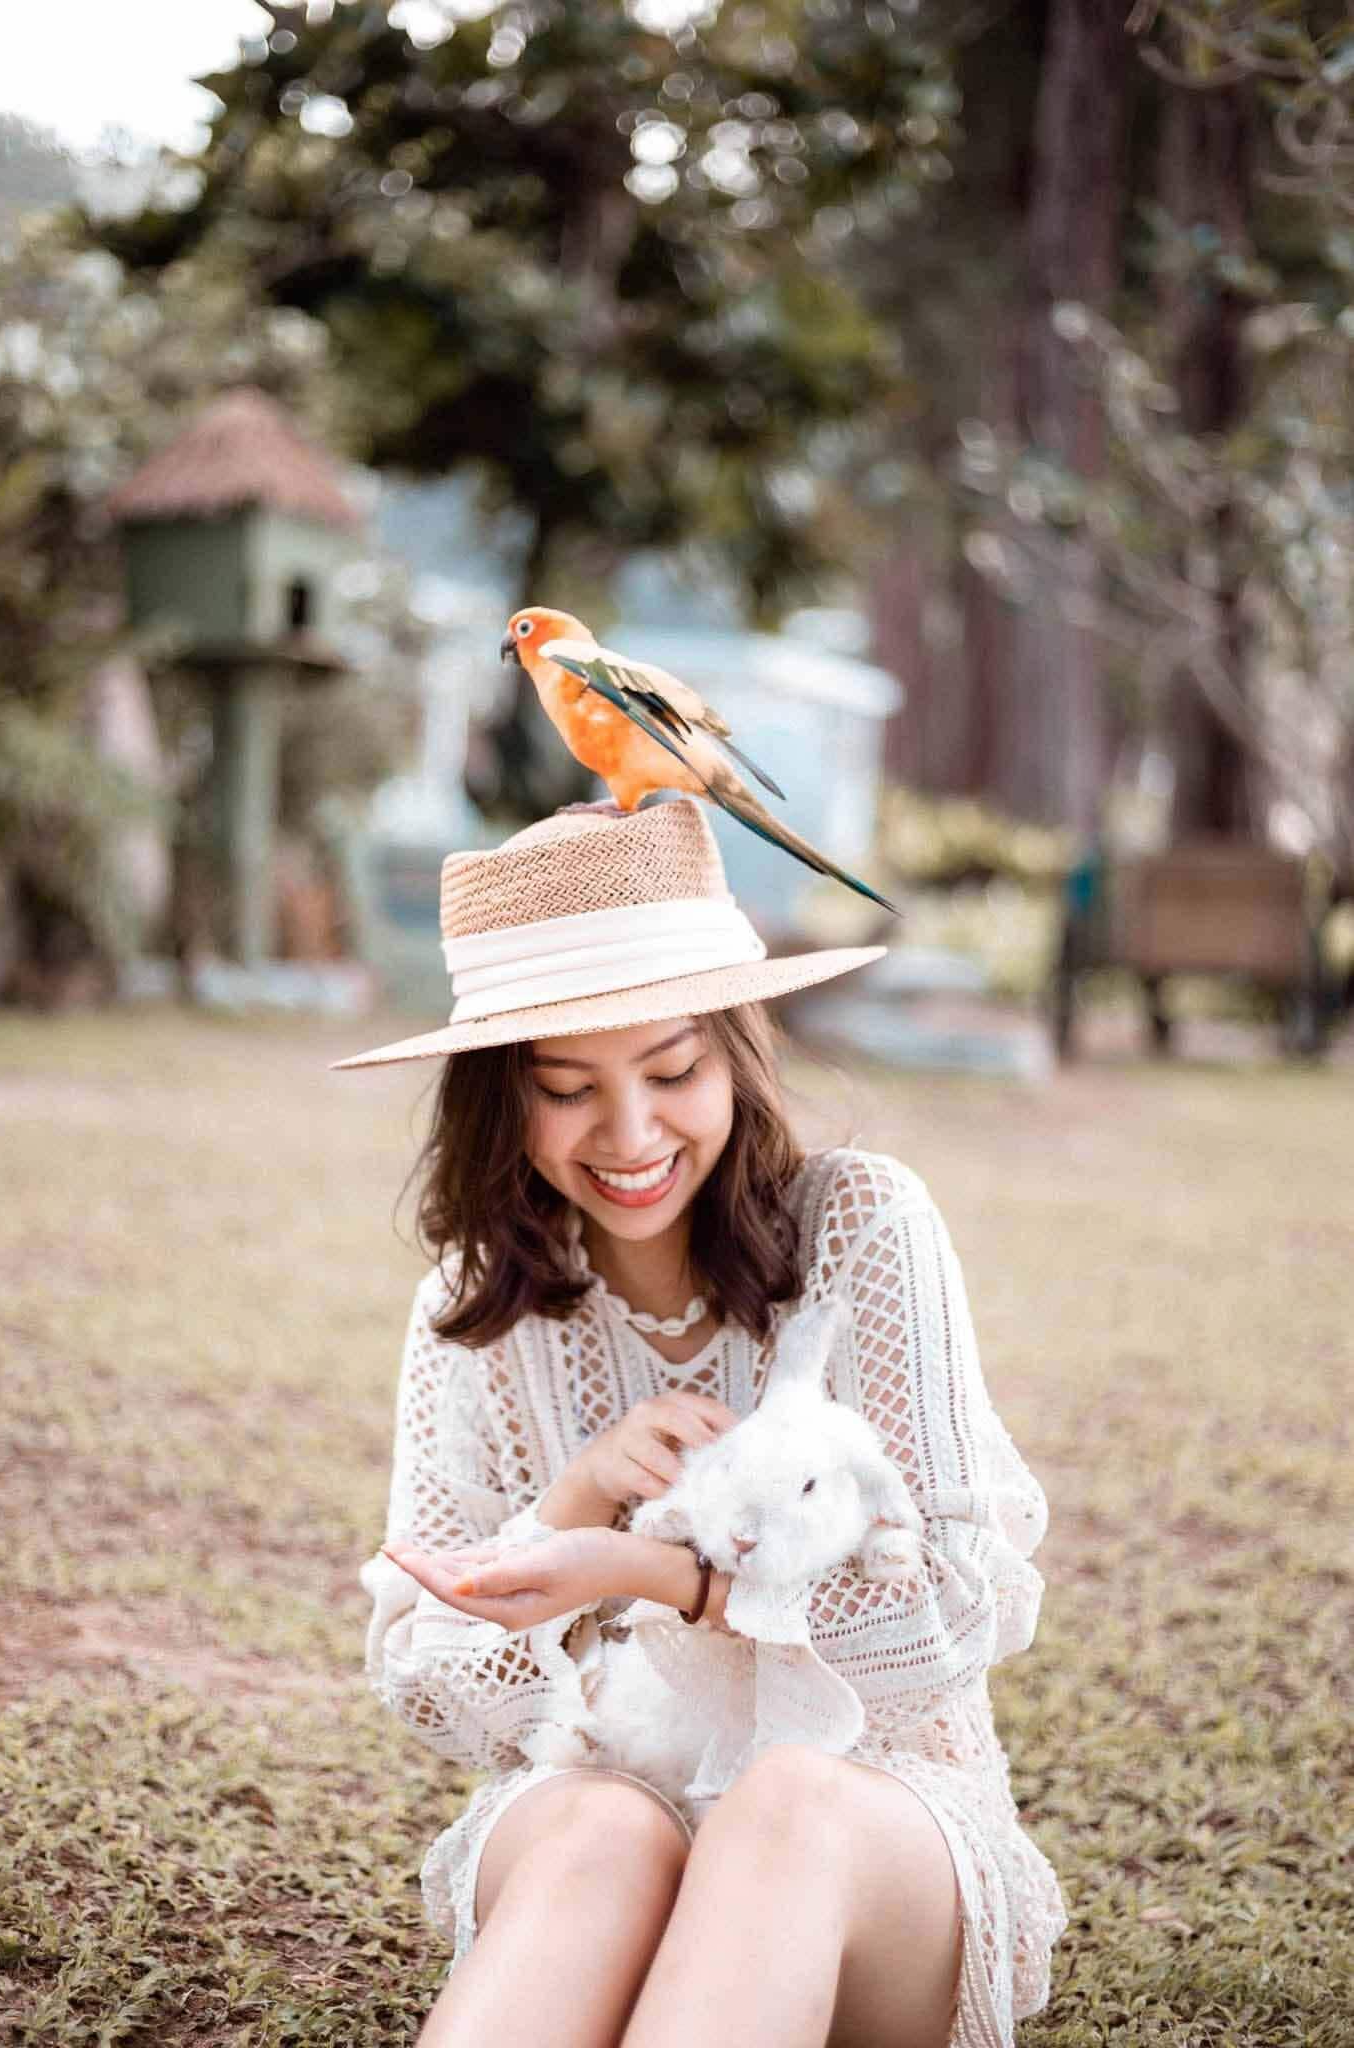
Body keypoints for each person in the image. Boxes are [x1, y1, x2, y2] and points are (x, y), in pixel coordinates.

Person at [336, 796, 1068, 2048]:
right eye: (569, 1089)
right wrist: (568, 1502)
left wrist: (647, 1570)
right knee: (601, 1817)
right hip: (604, 1809)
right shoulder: (474, 1311)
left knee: (779, 1804)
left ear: (735, 1051)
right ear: (504, 1099)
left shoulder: (864, 1228)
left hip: (869, 1827)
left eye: (672, 1070)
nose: (630, 1137)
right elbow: (436, 1693)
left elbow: (951, 1607)